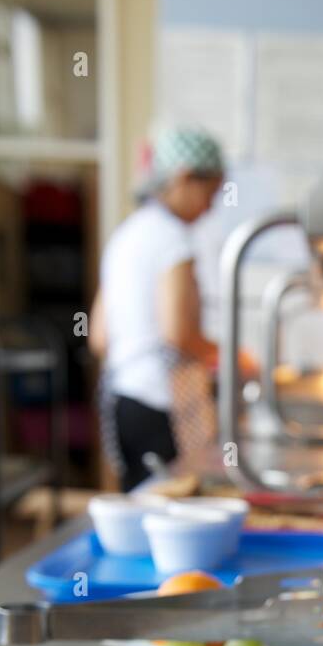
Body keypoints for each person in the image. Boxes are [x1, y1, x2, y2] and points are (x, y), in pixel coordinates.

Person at [90, 127, 227, 490]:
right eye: (210, 194)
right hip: (159, 404)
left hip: (123, 401)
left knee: (141, 506)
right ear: (184, 179)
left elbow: (99, 337)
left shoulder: (125, 235)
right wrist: (232, 357)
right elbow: (177, 333)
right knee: (171, 505)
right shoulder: (172, 240)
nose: (210, 207)